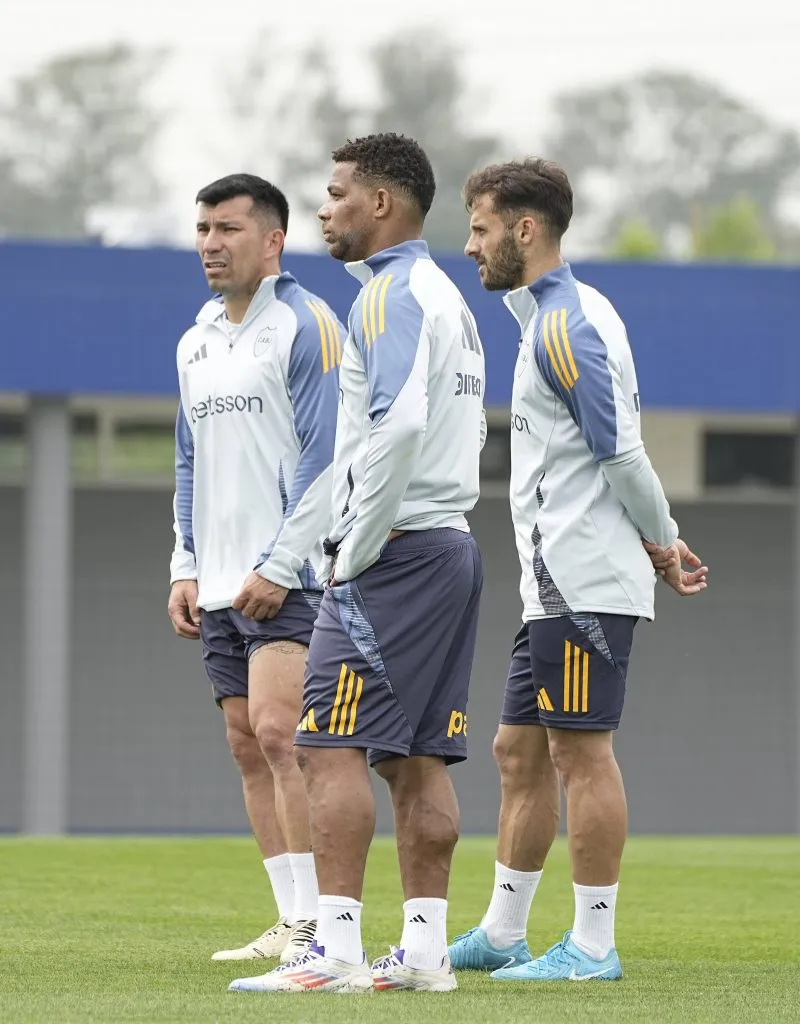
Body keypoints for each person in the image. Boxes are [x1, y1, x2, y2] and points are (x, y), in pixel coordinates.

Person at [228, 134, 486, 994]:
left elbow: (399, 427)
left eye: (337, 193)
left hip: (397, 553)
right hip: (448, 545)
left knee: (325, 744)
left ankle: (332, 950)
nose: (324, 208)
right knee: (415, 758)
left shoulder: (387, 294)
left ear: (381, 203)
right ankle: (424, 953)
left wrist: (357, 547)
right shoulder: (446, 296)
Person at [448, 158, 708, 982]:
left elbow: (620, 452)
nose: (470, 246)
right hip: (549, 584)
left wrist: (664, 540)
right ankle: (503, 932)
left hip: (582, 581)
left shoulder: (564, 326)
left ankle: (594, 946)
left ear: (526, 230)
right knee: (516, 752)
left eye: (481, 229)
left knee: (580, 755)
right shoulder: (551, 317)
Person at [167, 173, 343, 964]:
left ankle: (322, 924)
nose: (211, 244)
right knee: (246, 744)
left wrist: (281, 562)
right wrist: (184, 565)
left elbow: (326, 455)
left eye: (228, 229)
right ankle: (290, 917)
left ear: (273, 240)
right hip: (218, 581)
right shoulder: (195, 340)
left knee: (283, 734)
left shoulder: (306, 323)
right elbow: (188, 462)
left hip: (290, 576)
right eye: (203, 229)